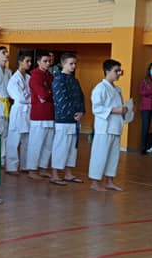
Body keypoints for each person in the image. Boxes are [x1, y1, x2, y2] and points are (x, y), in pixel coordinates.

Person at [89, 60, 128, 192]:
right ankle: (95, 182)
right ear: (107, 71)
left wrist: (126, 110)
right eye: (116, 71)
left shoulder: (117, 89)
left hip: (116, 126)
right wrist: (115, 110)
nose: (119, 73)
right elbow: (96, 108)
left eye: (120, 71)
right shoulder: (100, 88)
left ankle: (109, 181)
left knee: (113, 156)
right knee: (100, 154)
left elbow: (119, 107)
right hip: (104, 127)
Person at [49, 52, 85, 186]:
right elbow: (61, 100)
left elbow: (81, 97)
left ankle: (68, 173)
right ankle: (55, 174)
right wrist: (73, 113)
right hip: (63, 119)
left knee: (72, 148)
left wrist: (81, 112)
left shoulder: (75, 80)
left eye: (75, 63)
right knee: (60, 147)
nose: (74, 66)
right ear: (63, 64)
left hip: (75, 120)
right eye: (71, 63)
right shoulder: (58, 79)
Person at [25, 52, 55, 179]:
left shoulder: (50, 76)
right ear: (38, 62)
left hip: (50, 113)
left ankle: (43, 167)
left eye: (49, 61)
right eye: (45, 61)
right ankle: (32, 169)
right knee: (36, 143)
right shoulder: (35, 76)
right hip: (39, 114)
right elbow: (42, 95)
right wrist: (49, 94)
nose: (48, 63)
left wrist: (49, 94)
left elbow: (54, 94)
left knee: (48, 144)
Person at [5, 52, 32, 175]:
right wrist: (31, 98)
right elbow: (20, 97)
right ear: (20, 62)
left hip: (28, 111)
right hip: (18, 110)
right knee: (14, 139)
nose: (29, 64)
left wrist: (30, 98)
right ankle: (11, 167)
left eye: (30, 61)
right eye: (27, 61)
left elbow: (33, 94)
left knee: (27, 139)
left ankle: (25, 165)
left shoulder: (29, 78)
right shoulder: (14, 79)